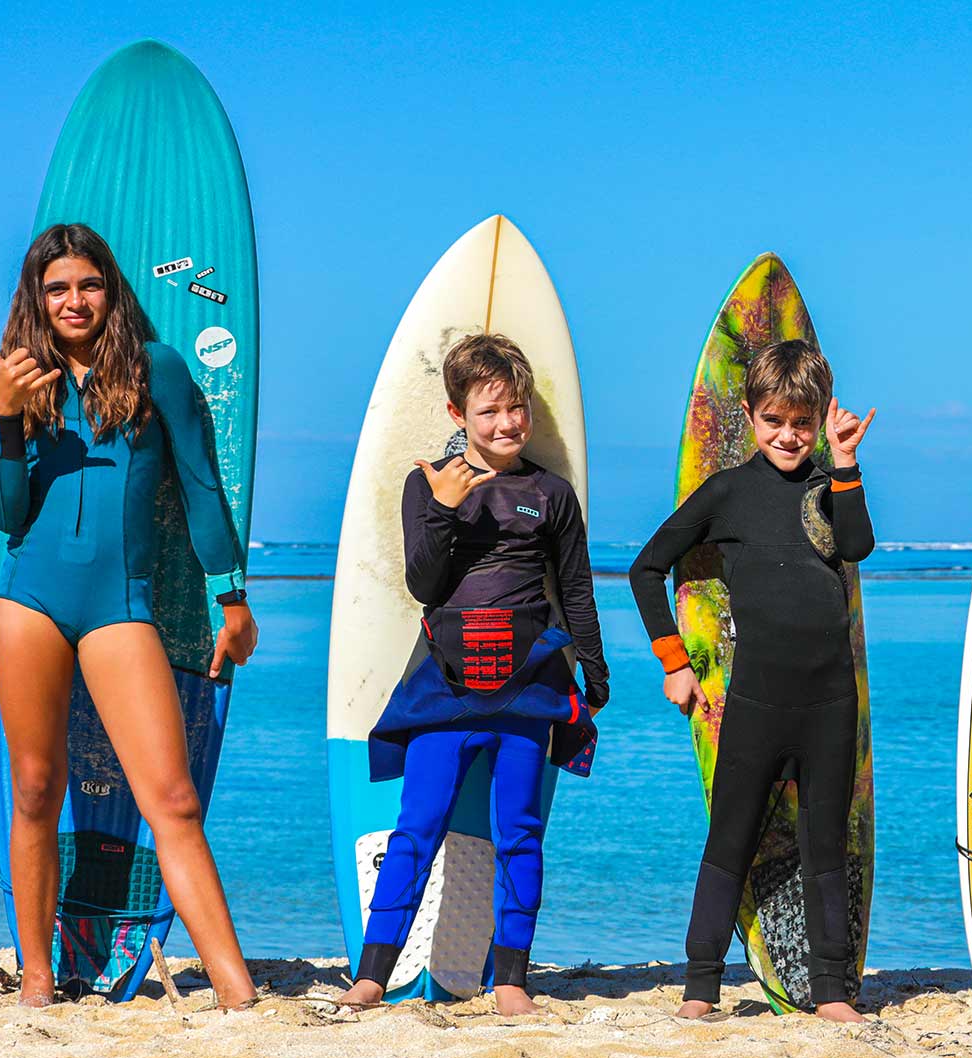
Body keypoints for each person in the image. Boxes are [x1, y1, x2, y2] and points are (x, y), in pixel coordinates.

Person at [0, 222, 259, 1009]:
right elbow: (6, 514)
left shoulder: (156, 371)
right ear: (36, 296)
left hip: (121, 609)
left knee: (172, 798)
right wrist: (6, 417)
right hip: (28, 604)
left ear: (112, 289)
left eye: (88, 283)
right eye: (57, 287)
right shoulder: (8, 379)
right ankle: (38, 977)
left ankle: (236, 990)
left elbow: (203, 487)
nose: (74, 300)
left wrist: (230, 597)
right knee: (35, 788)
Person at [337, 333, 606, 1016]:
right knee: (417, 826)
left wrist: (594, 673)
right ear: (458, 415)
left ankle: (511, 979)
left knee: (519, 829)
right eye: (488, 413)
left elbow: (574, 589)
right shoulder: (426, 482)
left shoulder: (551, 494)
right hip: (448, 687)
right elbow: (425, 582)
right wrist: (445, 509)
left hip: (527, 686)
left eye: (516, 408)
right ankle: (373, 973)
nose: (507, 424)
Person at [628, 339, 875, 1022]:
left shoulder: (832, 484)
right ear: (750, 415)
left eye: (802, 422)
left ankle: (831, 993)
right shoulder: (728, 493)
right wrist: (675, 662)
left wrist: (847, 461)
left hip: (830, 703)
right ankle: (701, 986)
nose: (789, 436)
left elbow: (856, 546)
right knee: (729, 842)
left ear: (820, 416)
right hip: (757, 701)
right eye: (774, 420)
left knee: (826, 848)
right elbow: (646, 568)